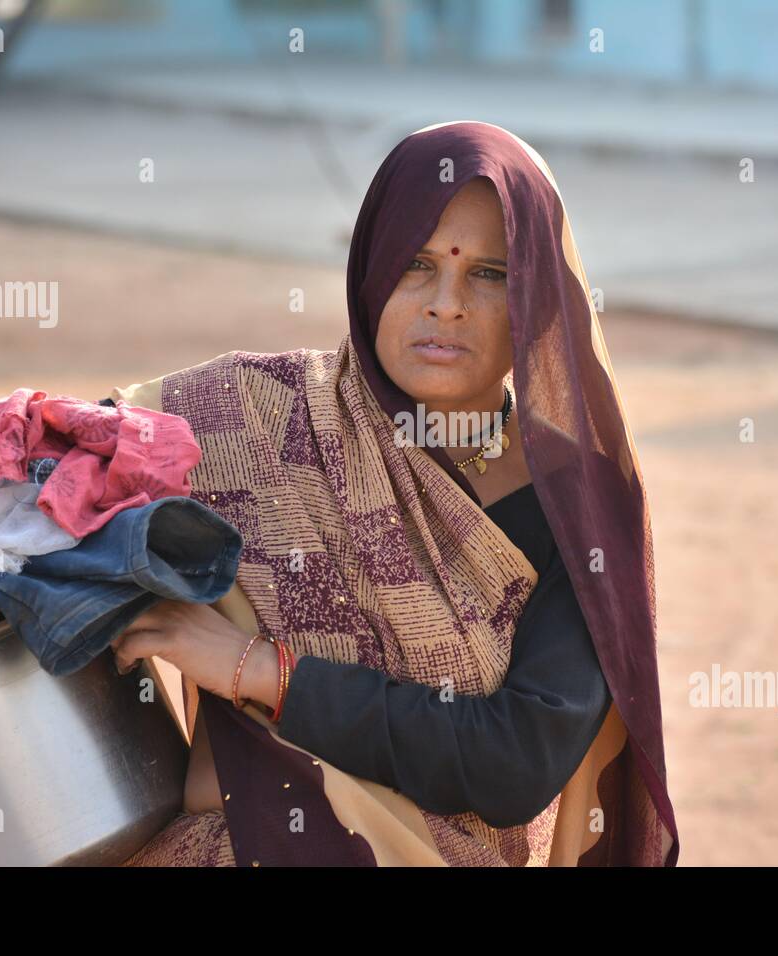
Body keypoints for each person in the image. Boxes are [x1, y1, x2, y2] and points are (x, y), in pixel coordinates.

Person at [111, 120, 679, 867]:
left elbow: (516, 761)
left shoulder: (580, 505)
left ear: (538, 303)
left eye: (490, 273)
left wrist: (260, 670)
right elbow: (51, 470)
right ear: (372, 272)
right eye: (416, 263)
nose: (446, 303)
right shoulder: (252, 420)